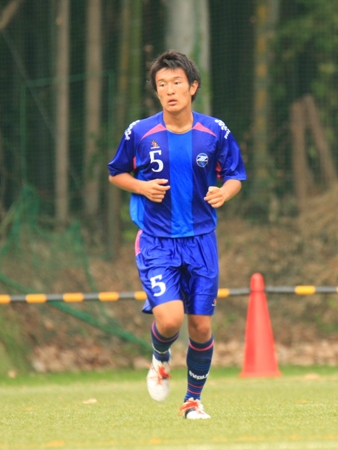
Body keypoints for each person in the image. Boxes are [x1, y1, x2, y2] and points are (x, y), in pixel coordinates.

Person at [108, 50, 246, 419]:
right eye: (162, 84)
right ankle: (160, 356)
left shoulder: (215, 131)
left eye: (176, 83)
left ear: (193, 87)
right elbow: (116, 172)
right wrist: (141, 187)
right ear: (156, 91)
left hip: (202, 242)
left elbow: (235, 175)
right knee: (169, 320)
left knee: (200, 325)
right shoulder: (140, 132)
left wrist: (224, 193)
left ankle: (192, 401)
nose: (170, 90)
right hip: (156, 241)